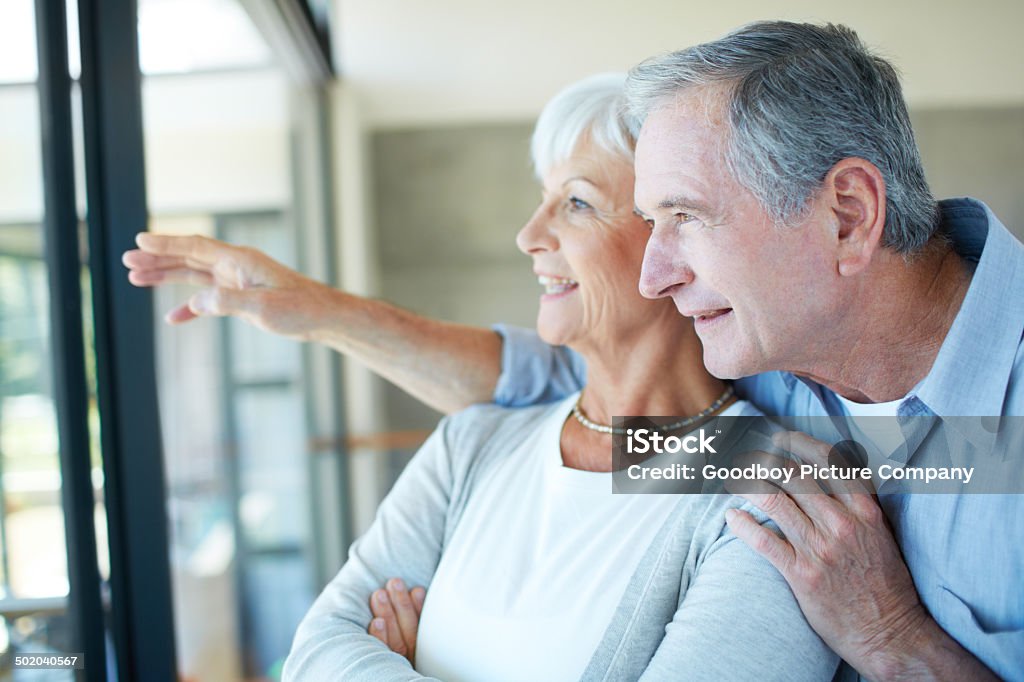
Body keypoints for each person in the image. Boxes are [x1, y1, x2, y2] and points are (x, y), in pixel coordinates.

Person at [123, 21, 1022, 681]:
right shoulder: (785, 375)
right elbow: (572, 407)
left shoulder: (821, 455)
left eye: (686, 220)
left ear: (849, 216)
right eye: (652, 218)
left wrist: (895, 637)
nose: (663, 272)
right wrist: (315, 312)